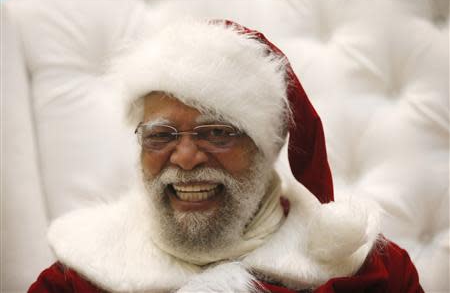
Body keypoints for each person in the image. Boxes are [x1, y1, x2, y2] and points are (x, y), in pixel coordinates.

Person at [28, 19, 423, 293]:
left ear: (265, 147)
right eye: (161, 135)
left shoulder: (374, 275)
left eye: (216, 132)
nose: (184, 158)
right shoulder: (74, 281)